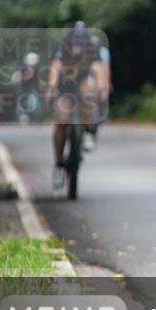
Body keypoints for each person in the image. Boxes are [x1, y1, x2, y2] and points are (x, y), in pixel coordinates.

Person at [45, 22, 103, 187]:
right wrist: (51, 87)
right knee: (62, 121)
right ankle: (58, 164)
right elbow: (55, 68)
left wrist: (100, 87)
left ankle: (87, 130)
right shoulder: (63, 46)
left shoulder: (92, 47)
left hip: (83, 80)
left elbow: (98, 68)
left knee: (89, 94)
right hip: (65, 84)